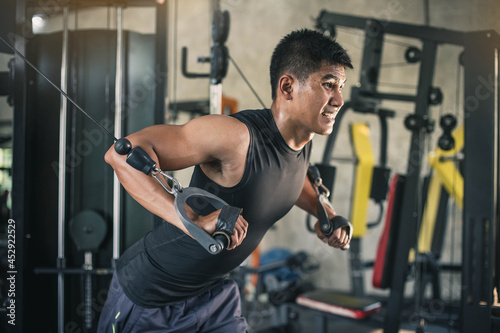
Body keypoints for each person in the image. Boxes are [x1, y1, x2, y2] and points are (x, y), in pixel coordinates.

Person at [98, 28, 353, 332]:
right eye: (328, 85)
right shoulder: (235, 137)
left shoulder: (301, 141)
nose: (338, 98)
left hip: (214, 295)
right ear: (287, 87)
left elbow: (286, 179)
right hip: (153, 294)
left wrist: (325, 213)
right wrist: (191, 219)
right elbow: (121, 154)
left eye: (341, 86)